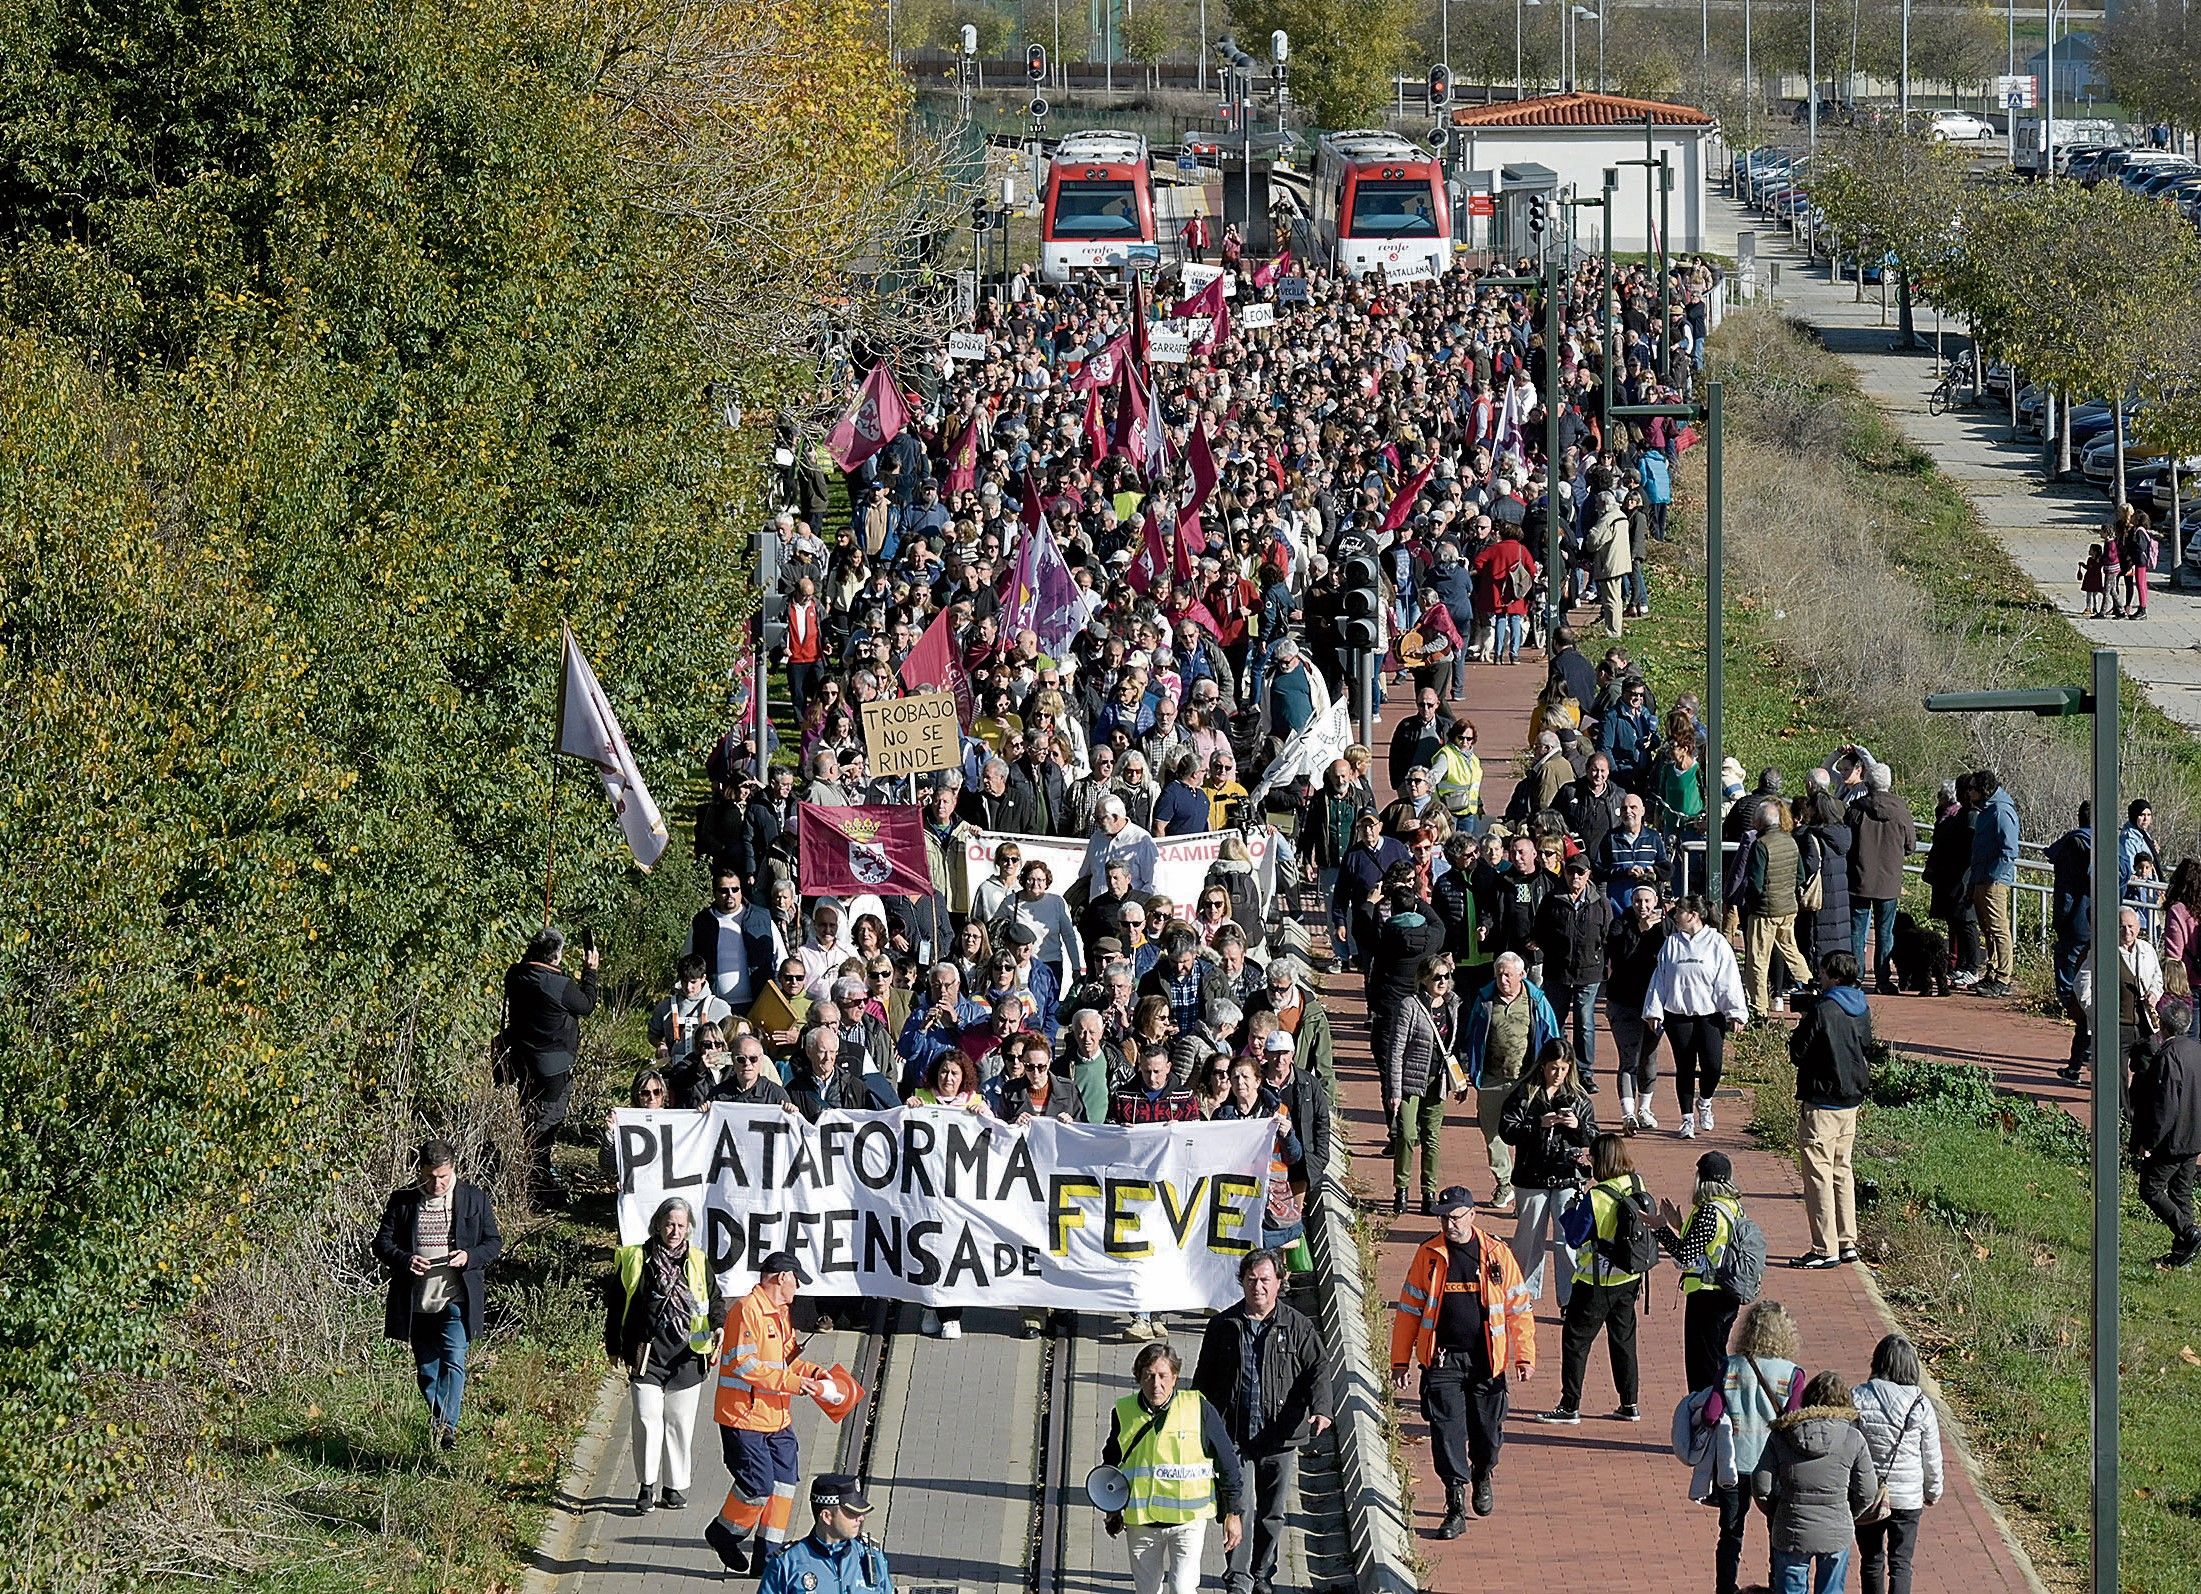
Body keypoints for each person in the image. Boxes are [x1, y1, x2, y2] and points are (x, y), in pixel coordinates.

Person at [1387, 1186, 1536, 1537]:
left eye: (1455, 1217)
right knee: (1446, 1433)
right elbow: (1409, 1311)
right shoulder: (1429, 1255)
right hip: (1442, 1362)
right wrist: (1400, 1362)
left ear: (1472, 1215)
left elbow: (1519, 1308)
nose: (1449, 1224)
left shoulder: (1496, 1254)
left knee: (1486, 1434)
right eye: (1444, 1217)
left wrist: (1524, 1355)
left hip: (1487, 1363)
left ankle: (1482, 1473)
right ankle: (1454, 1504)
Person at [1192, 1250, 1334, 1594]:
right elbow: (1203, 1380)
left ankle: (1262, 1574)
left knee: (1271, 1513)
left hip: (1279, 1438)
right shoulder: (1223, 1326)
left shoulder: (1298, 1326)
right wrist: (1195, 1422)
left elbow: (1318, 1371)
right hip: (1234, 1438)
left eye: (1265, 1280)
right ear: (1241, 1282)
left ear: (1279, 1283)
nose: (1258, 1287)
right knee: (1238, 1507)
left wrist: (1322, 1409)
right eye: (1251, 1279)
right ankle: (1238, 1578)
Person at [705, 1251, 834, 1574]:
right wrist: (791, 1382)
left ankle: (768, 1556)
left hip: (775, 1417)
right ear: (780, 1278)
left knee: (785, 1484)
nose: (797, 1288)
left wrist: (816, 1374)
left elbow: (787, 1360)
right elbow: (745, 1365)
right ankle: (724, 1533)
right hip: (743, 1416)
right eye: (795, 1281)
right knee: (757, 1486)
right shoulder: (748, 1311)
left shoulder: (778, 1313)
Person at [372, 1139, 501, 1451]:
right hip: (417, 1301)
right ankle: (440, 1419)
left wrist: (469, 1256)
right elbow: (381, 1244)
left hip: (456, 1299)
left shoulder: (473, 1198)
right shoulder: (403, 1201)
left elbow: (493, 1243)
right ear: (420, 1171)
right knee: (427, 1370)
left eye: (443, 1176)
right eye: (430, 1176)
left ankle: (446, 1428)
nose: (437, 1183)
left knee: (455, 1359)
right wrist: (405, 1259)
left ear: (453, 1169)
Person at [606, 1197, 725, 1512]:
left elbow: (714, 1300)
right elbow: (617, 1303)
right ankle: (646, 1486)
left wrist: (718, 1328)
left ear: (689, 1229)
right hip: (646, 1354)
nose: (675, 1231)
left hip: (689, 1352)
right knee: (646, 1419)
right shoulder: (636, 1258)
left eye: (681, 1225)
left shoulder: (698, 1260)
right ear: (658, 1224)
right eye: (670, 1224)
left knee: (679, 1422)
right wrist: (614, 1347)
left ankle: (675, 1487)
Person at [1101, 1341, 1246, 1594]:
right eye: (1148, 1376)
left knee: (1182, 1588)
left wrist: (1233, 1514)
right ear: (1138, 1378)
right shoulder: (1123, 1412)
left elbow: (1228, 1461)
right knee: (1147, 1591)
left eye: (1162, 1376)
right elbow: (1111, 1464)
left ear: (1175, 1377)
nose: (1155, 1384)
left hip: (1188, 1522)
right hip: (1142, 1524)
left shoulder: (1198, 1408)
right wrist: (1111, 1508)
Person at [1545, 1133, 1653, 1425]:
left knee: (1575, 1341)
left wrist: (1569, 1212)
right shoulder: (1636, 1182)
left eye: (1592, 1158)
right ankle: (1629, 1403)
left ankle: (1570, 1406)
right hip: (1629, 1277)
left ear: (1601, 1161)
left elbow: (1575, 1237)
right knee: (1623, 1340)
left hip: (1596, 1280)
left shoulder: (1598, 1196)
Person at [1703, 1301, 1810, 1594]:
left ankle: (1725, 1588)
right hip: (1773, 1466)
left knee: (1730, 1533)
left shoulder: (1730, 1366)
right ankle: (1778, 1586)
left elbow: (1711, 1414)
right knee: (1777, 1533)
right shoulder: (1792, 1374)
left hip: (1734, 1463)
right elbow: (1794, 1422)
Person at [1752, 1370, 1879, 1594]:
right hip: (1836, 1526)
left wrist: (1777, 1510)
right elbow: (1868, 1491)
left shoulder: (1782, 1434)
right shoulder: (1853, 1438)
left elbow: (1761, 1485)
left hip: (1791, 1525)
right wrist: (1850, 1512)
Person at [500, 925, 599, 1195]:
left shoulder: (515, 975)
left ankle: (534, 1176)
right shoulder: (559, 985)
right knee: (546, 1126)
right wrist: (590, 971)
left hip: (522, 1061)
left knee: (530, 1121)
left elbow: (527, 968)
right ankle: (538, 1186)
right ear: (555, 956)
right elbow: (587, 1004)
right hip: (554, 1067)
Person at [1790, 951, 1873, 1269]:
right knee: (1842, 1171)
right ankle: (1846, 1241)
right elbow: (1866, 1045)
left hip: (1822, 1101)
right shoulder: (1861, 1005)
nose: (1819, 979)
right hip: (1850, 1098)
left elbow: (1799, 1051)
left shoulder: (1823, 1009)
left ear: (1834, 976)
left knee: (1818, 1176)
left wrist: (1804, 1019)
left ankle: (1825, 1248)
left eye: (1822, 974)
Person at [1499, 1038, 1597, 1305]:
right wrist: (1537, 1125)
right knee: (1528, 1238)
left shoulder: (1578, 1098)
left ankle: (1570, 1300)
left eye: (1564, 1069)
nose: (1558, 1074)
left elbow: (1593, 1137)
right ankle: (1523, 1296)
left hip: (1568, 1176)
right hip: (1531, 1176)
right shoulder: (1524, 1093)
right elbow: (1506, 1131)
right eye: (1554, 1068)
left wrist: (1577, 1126)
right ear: (1543, 1065)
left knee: (1568, 1241)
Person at [1459, 951, 1559, 1212]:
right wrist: (1466, 1070)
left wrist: (1553, 1074)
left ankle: (1524, 1187)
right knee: (1492, 1133)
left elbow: (1552, 1038)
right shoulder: (1484, 1001)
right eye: (1499, 974)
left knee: (1528, 1135)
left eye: (1508, 975)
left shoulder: (1536, 1002)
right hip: (1491, 1078)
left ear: (1522, 975)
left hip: (1526, 1080)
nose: (1503, 980)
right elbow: (1470, 1037)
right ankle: (1504, 1183)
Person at [1642, 895, 1748, 1138]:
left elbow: (1729, 980)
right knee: (1685, 1066)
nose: (1674, 914)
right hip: (1678, 1015)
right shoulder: (1671, 944)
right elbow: (1660, 979)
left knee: (1712, 1064)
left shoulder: (1717, 943)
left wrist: (1735, 1013)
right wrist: (1654, 1010)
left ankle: (1705, 1101)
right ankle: (1687, 1119)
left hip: (1710, 1015)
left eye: (1679, 911)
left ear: (1693, 915)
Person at [1850, 1335, 1945, 1594]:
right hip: (1908, 1496)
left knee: (1871, 1560)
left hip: (1869, 1493)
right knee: (1901, 1563)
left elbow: (1849, 1446)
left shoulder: (1859, 1396)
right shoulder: (1921, 1404)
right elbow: (1931, 1456)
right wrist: (1933, 1490)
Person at [1655, 1150, 1752, 1392]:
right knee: (1718, 1358)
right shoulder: (1734, 1207)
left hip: (1706, 1295)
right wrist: (1679, 1225)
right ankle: (1719, 1410)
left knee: (1702, 1367)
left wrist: (1661, 1229)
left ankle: (1706, 1416)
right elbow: (1709, 1246)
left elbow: (1685, 1257)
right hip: (1729, 1292)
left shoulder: (1708, 1211)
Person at [1381, 956, 1466, 1215]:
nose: (1442, 982)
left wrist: (1460, 1081)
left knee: (1432, 1138)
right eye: (1436, 977)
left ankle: (1429, 1193)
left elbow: (1453, 1048)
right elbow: (1395, 1051)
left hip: (1438, 1080)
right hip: (1410, 1082)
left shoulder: (1453, 1005)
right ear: (1424, 979)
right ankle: (1402, 1189)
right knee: (1406, 1135)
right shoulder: (1410, 1006)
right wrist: (1394, 1091)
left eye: (1446, 976)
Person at [2129, 996, 2201, 1267]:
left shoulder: (2169, 1056)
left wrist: (2149, 1141)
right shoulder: (2195, 1049)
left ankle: (2188, 1232)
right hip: (2193, 1136)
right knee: (2181, 1193)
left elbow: (2165, 1104)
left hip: (2173, 1139)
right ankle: (2183, 1253)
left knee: (2150, 1189)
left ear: (2164, 1026)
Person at [1534, 855, 1612, 1091]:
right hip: (1558, 972)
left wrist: (1605, 961)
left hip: (1589, 971)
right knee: (1554, 1021)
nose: (1575, 877)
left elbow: (1607, 935)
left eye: (1580, 872)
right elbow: (1540, 931)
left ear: (1588, 874)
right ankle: (1551, 1067)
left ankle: (1585, 1073)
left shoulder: (1600, 902)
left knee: (1585, 1022)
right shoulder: (1552, 899)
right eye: (1571, 872)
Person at [2070, 905, 2166, 1083]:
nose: (2127, 931)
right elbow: (2082, 983)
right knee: (2117, 1075)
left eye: (2131, 926)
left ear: (2138, 927)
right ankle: (2121, 1109)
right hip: (2117, 1025)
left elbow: (2157, 978)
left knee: (2150, 1066)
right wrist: (2096, 1012)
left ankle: (2139, 1106)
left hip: (2144, 1024)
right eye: (2122, 926)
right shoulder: (2102, 952)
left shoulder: (2147, 950)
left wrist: (2153, 993)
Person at [758, 1473, 894, 1594]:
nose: (861, 1518)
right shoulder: (787, 1563)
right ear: (826, 1516)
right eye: (852, 1512)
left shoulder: (870, 1555)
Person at [1845, 766, 1916, 990]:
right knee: (1885, 932)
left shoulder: (1856, 810)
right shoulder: (1901, 810)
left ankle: (1855, 977)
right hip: (1889, 881)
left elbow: (1846, 844)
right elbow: (1910, 846)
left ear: (1867, 782)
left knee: (1857, 930)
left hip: (1859, 878)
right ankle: (1883, 980)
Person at [1606, 884, 1669, 1131]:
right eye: (1638, 901)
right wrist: (1641, 930)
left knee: (1650, 1058)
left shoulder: (1665, 927)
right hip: (1624, 1002)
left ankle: (1645, 1108)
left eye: (1647, 901)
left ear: (1655, 902)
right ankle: (1628, 1113)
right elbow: (1620, 955)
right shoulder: (1620, 925)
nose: (1642, 906)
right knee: (1628, 1058)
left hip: (1654, 1004)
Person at [1738, 800, 1809, 1020]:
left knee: (1758, 959)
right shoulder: (1790, 841)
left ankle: (1759, 1009)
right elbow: (1801, 876)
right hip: (1788, 908)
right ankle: (1811, 987)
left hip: (1764, 912)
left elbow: (1756, 883)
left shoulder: (1761, 844)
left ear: (1759, 821)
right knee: (1791, 951)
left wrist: (1749, 902)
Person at [1966, 769, 2020, 997]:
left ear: (1983, 790)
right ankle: (1991, 971)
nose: (1968, 793)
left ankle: (2003, 976)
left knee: (1999, 929)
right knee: (1987, 929)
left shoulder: (2000, 811)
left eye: (1972, 788)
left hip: (1994, 881)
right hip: (1981, 878)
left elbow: (2009, 850)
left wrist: (1993, 877)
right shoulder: (1986, 810)